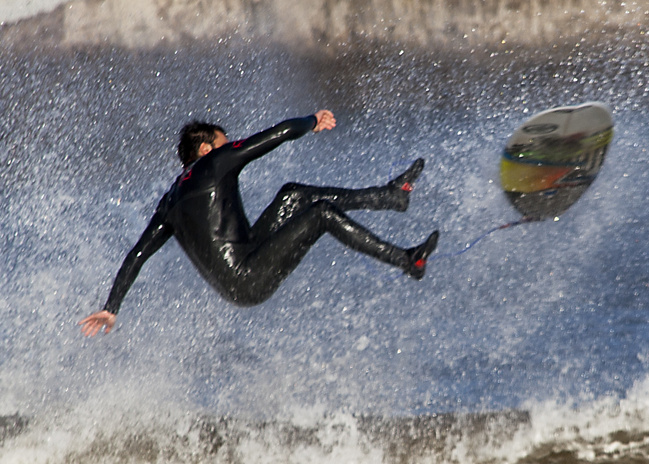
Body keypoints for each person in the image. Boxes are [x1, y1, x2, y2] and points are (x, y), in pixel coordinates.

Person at [80, 109, 437, 336]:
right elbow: (277, 134)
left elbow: (136, 255)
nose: (228, 146)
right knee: (321, 214)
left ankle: (389, 197)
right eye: (223, 142)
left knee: (293, 195)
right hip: (247, 276)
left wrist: (112, 307)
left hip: (240, 274)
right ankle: (407, 260)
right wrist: (312, 121)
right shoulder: (215, 162)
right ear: (206, 150)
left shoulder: (169, 201)